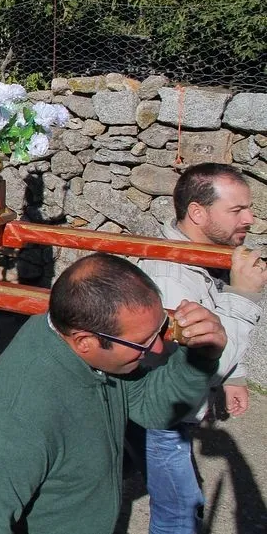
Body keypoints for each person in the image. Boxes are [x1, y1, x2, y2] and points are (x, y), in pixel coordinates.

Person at [0, 253, 228, 534]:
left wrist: (201, 357)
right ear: (85, 341)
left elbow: (152, 407)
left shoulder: (82, 342)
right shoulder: (19, 419)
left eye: (160, 329)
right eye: (142, 342)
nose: (158, 348)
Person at [134, 163, 265, 534]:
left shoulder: (202, 255)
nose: (250, 219)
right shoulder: (170, 277)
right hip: (163, 416)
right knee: (180, 510)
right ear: (197, 212)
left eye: (248, 209)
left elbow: (213, 320)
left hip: (170, 408)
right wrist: (245, 297)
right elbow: (197, 363)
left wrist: (234, 375)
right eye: (237, 210)